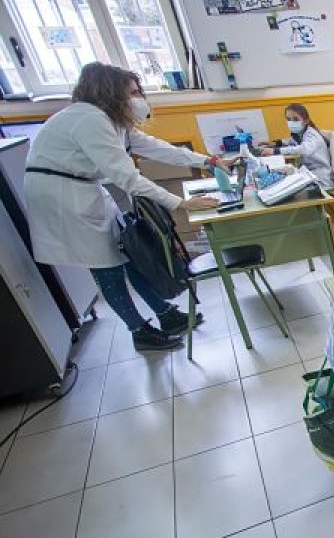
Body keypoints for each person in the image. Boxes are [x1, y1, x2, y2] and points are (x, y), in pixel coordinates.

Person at [24, 62, 223, 351]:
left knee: (129, 253)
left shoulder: (111, 121)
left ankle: (166, 315)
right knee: (108, 268)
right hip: (63, 198)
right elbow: (128, 178)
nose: (139, 97)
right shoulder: (89, 120)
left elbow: (156, 147)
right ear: (110, 93)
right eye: (132, 92)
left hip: (84, 190)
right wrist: (181, 203)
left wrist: (206, 161)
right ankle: (139, 331)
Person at [256, 103, 332, 191]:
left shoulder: (311, 134)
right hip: (309, 172)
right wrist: (276, 143)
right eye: (288, 119)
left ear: (306, 120)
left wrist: (275, 151)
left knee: (284, 185)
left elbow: (304, 149)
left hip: (320, 176)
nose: (291, 122)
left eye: (296, 119)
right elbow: (290, 141)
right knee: (282, 176)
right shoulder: (300, 133)